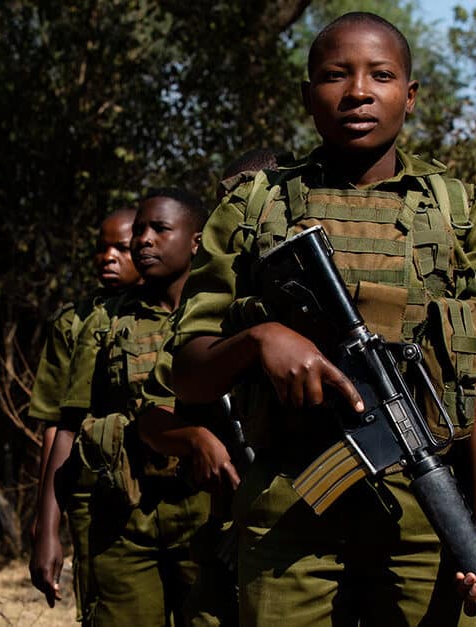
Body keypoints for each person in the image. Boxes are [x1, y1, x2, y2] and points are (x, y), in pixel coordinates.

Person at [170, 12, 476, 626]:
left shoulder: (458, 211)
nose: (359, 91)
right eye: (336, 75)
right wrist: (259, 340)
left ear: (409, 97)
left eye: (381, 75)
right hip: (290, 501)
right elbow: (188, 375)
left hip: (429, 509)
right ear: (308, 97)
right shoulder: (253, 208)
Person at [31, 188, 211, 625]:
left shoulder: (222, 315)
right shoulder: (103, 323)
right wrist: (46, 532)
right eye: (141, 231)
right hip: (122, 514)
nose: (143, 241)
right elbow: (67, 426)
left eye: (160, 229)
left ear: (196, 240)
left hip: (208, 519)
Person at [137, 147, 285, 627]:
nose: (238, 214)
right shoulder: (208, 316)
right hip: (233, 528)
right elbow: (153, 415)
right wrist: (198, 439)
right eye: (229, 202)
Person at [28, 206, 141, 621]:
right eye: (101, 248)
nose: (107, 257)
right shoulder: (74, 322)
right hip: (91, 490)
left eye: (121, 248)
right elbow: (56, 422)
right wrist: (45, 521)